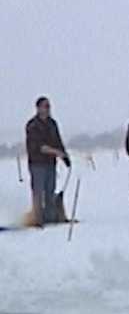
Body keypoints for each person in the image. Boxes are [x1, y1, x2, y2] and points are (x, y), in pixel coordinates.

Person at [25, 97, 70, 226]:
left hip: (51, 164)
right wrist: (56, 152)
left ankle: (50, 218)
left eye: (48, 107)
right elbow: (39, 147)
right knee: (38, 192)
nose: (47, 109)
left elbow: (57, 141)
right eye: (45, 106)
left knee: (50, 191)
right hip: (37, 164)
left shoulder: (52, 124)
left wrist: (64, 156)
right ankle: (36, 219)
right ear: (38, 108)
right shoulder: (32, 126)